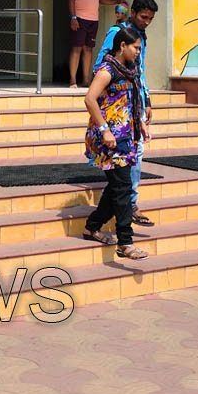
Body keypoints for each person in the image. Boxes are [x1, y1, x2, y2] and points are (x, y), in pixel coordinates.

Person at [81, 27, 149, 260]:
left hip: (125, 135)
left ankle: (93, 226)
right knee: (122, 186)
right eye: (135, 48)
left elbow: (129, 101)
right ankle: (125, 241)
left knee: (117, 186)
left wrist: (139, 123)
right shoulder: (108, 69)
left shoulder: (131, 70)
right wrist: (104, 130)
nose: (138, 52)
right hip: (109, 137)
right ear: (122, 46)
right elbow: (90, 99)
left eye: (140, 48)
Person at [96, 0, 160, 228]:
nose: (146, 22)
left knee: (137, 151)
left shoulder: (141, 36)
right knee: (126, 157)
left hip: (136, 103)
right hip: (118, 107)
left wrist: (147, 100)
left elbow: (140, 72)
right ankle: (129, 204)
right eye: (143, 17)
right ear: (133, 12)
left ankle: (128, 202)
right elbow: (101, 65)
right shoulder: (117, 33)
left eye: (150, 19)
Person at [67, 0, 127, 88]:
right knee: (76, 48)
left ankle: (86, 81)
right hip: (79, 18)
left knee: (88, 49)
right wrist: (73, 18)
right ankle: (72, 81)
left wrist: (117, 1)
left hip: (93, 20)